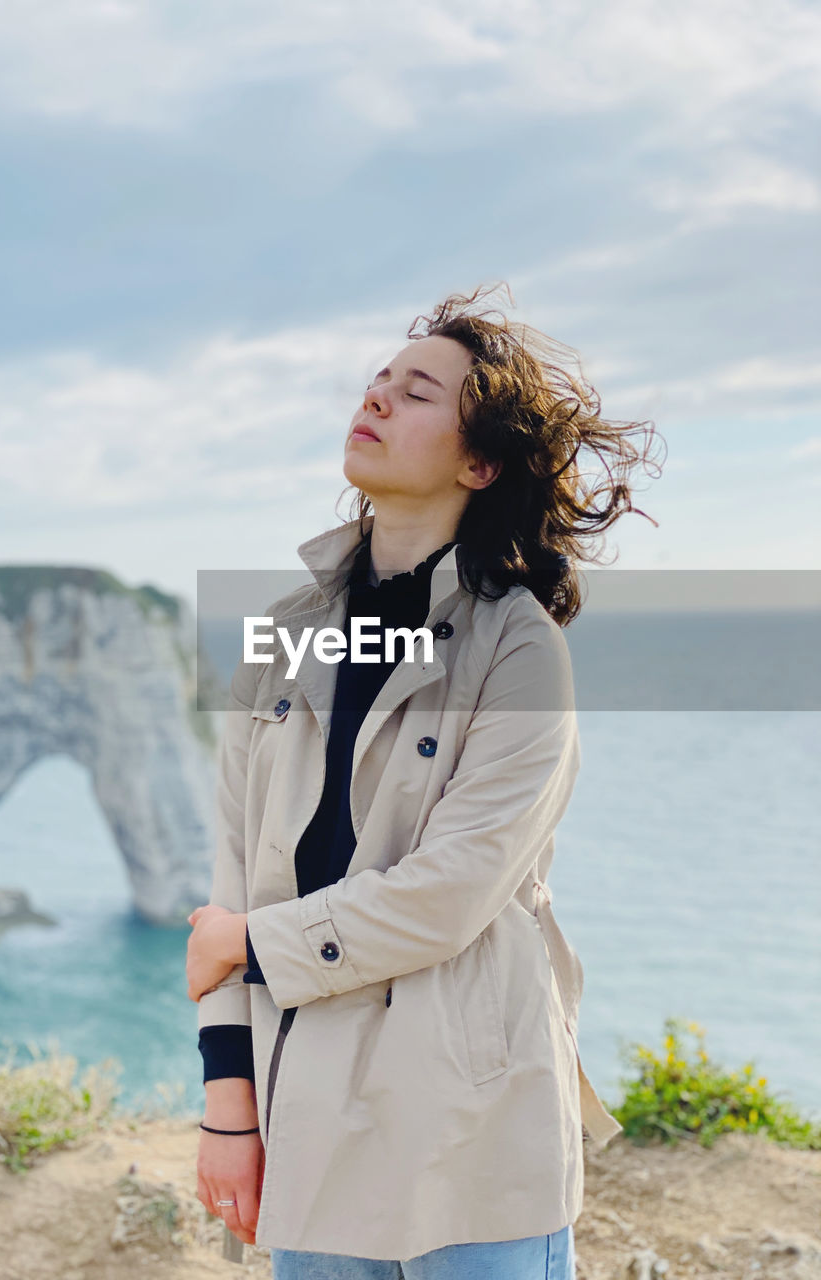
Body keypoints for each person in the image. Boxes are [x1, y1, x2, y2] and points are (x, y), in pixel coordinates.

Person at [185, 283, 664, 1278]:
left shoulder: (520, 647)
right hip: (306, 1111)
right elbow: (232, 882)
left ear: (479, 460)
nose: (376, 397)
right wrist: (227, 1104)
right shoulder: (279, 635)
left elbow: (451, 892)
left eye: (416, 392)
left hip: (473, 1128)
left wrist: (256, 944)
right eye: (376, 382)